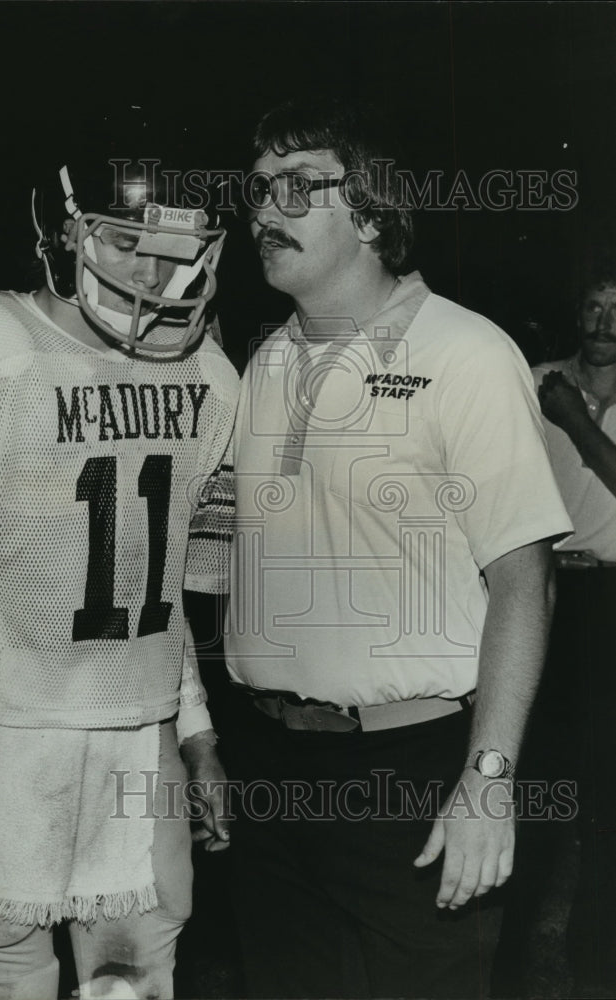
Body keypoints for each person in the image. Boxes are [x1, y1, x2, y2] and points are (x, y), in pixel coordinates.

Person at [0, 129, 239, 1000]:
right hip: (0, 724)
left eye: (174, 250)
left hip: (141, 731)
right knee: (8, 980)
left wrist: (198, 733)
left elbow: (161, 591)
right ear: (62, 233)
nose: (152, 274)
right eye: (127, 242)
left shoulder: (213, 374)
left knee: (135, 980)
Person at [222, 97, 573, 999]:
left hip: (409, 773)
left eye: (299, 188)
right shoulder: (264, 362)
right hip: (271, 768)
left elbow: (524, 583)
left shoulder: (463, 353)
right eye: (257, 190)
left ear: (373, 214)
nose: (265, 211)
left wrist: (487, 782)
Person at [530, 260, 616, 996]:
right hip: (546, 598)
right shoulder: (532, 382)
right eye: (593, 307)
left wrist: (577, 421)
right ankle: (504, 964)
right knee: (535, 784)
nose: (603, 324)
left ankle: (593, 966)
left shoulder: (561, 403)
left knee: (605, 792)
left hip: (613, 606)